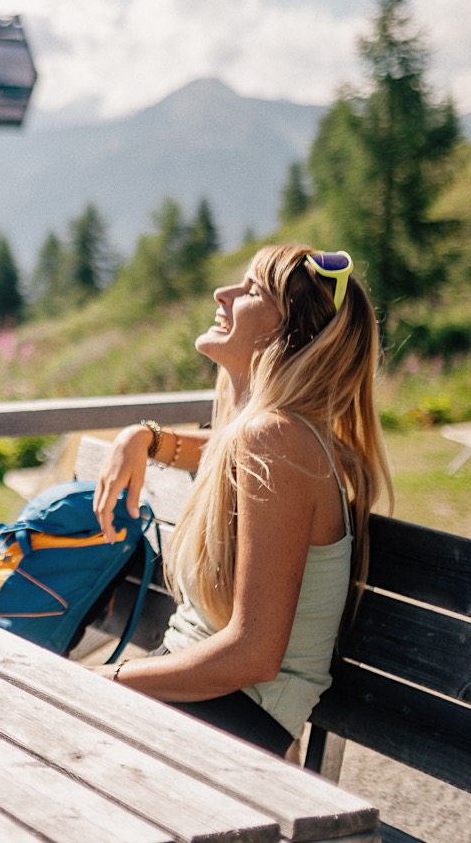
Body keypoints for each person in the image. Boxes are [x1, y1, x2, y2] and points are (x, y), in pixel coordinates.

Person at [89, 244, 390, 757]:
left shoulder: (278, 441)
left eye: (251, 290)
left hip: (229, 719)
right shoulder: (273, 437)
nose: (222, 294)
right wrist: (144, 437)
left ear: (286, 332)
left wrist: (102, 680)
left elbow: (253, 656)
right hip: (203, 700)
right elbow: (224, 449)